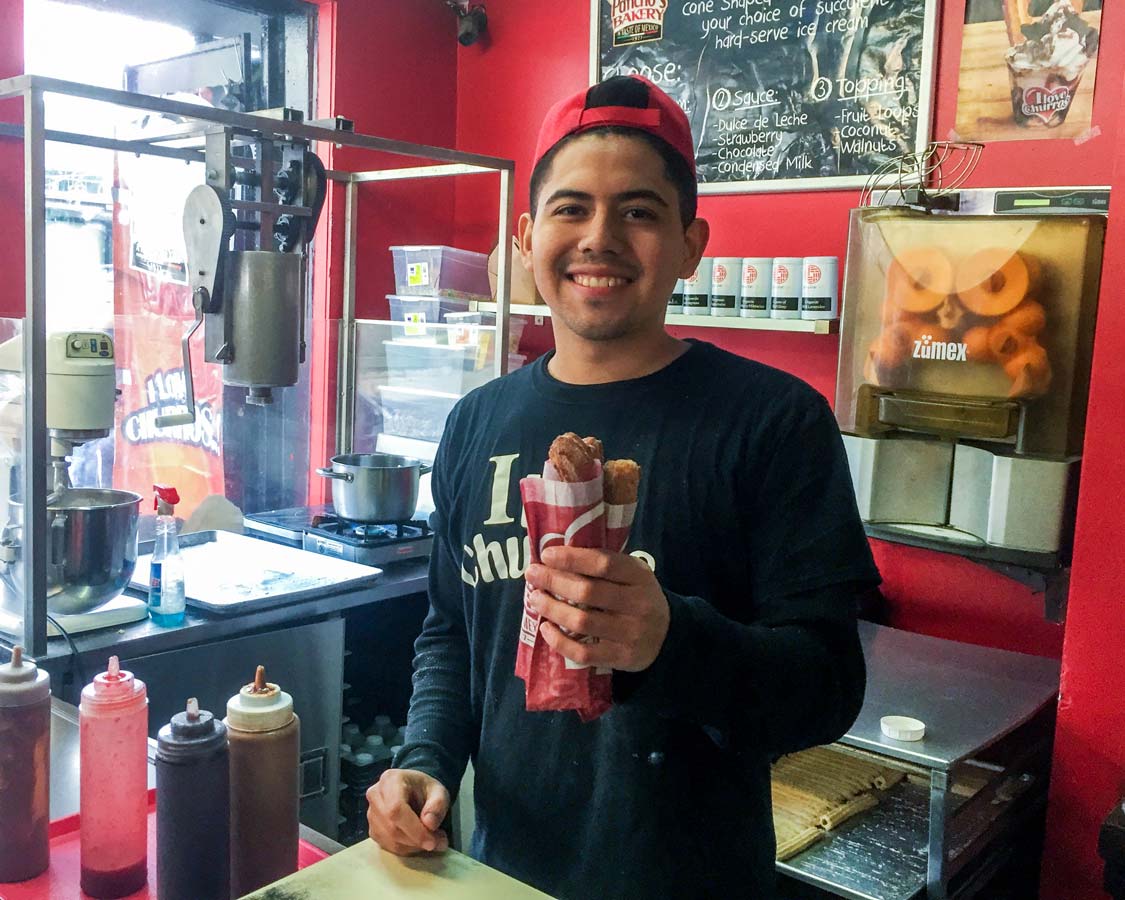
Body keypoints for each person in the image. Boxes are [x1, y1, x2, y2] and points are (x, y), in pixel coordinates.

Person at [366, 75, 880, 899]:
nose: (598, 238)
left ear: (689, 244)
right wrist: (422, 759)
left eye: (638, 212)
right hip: (499, 871)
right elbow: (451, 634)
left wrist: (669, 642)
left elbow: (825, 690)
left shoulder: (774, 422)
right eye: (571, 209)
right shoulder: (474, 422)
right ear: (528, 237)